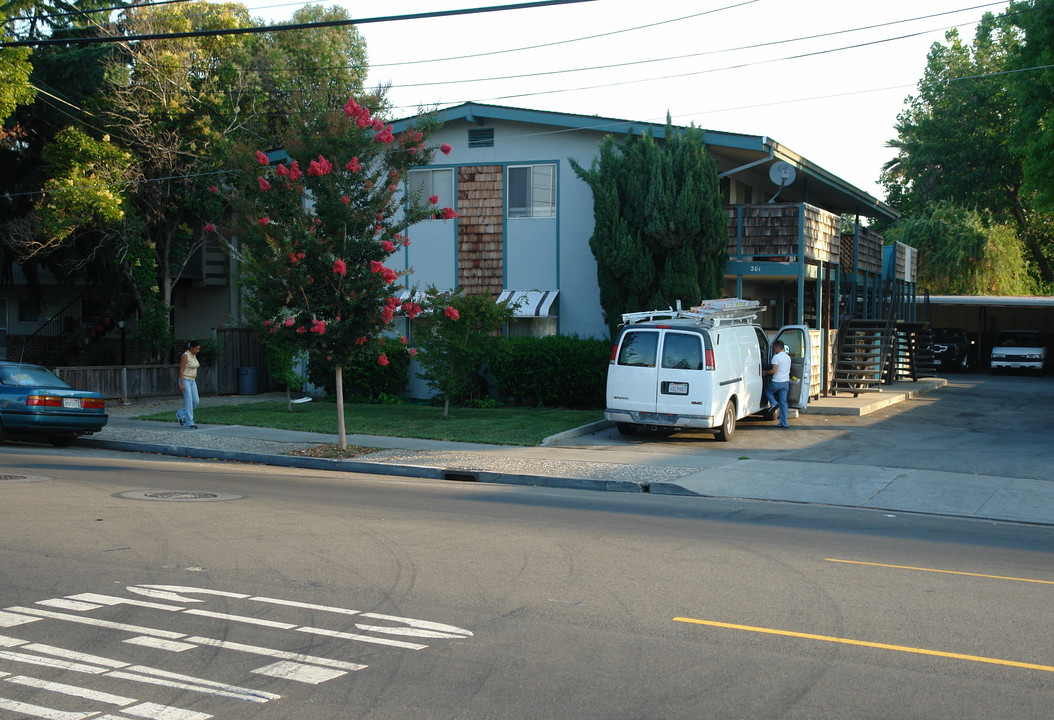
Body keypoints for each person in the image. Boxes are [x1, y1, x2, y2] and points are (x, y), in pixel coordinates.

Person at [763, 339, 791, 428]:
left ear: (778, 347)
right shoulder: (788, 357)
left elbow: (774, 371)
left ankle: (773, 403)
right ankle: (784, 423)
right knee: (783, 403)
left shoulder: (776, 357)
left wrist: (765, 373)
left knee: (768, 392)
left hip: (777, 382)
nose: (774, 349)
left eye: (774, 347)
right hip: (785, 382)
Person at [176, 340, 202, 429]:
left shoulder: (194, 356)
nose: (197, 351)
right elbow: (181, 370)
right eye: (196, 349)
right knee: (189, 401)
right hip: (185, 380)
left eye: (198, 349)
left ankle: (181, 413)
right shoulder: (185, 356)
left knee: (196, 401)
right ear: (191, 348)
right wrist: (182, 384)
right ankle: (189, 423)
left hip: (192, 381)